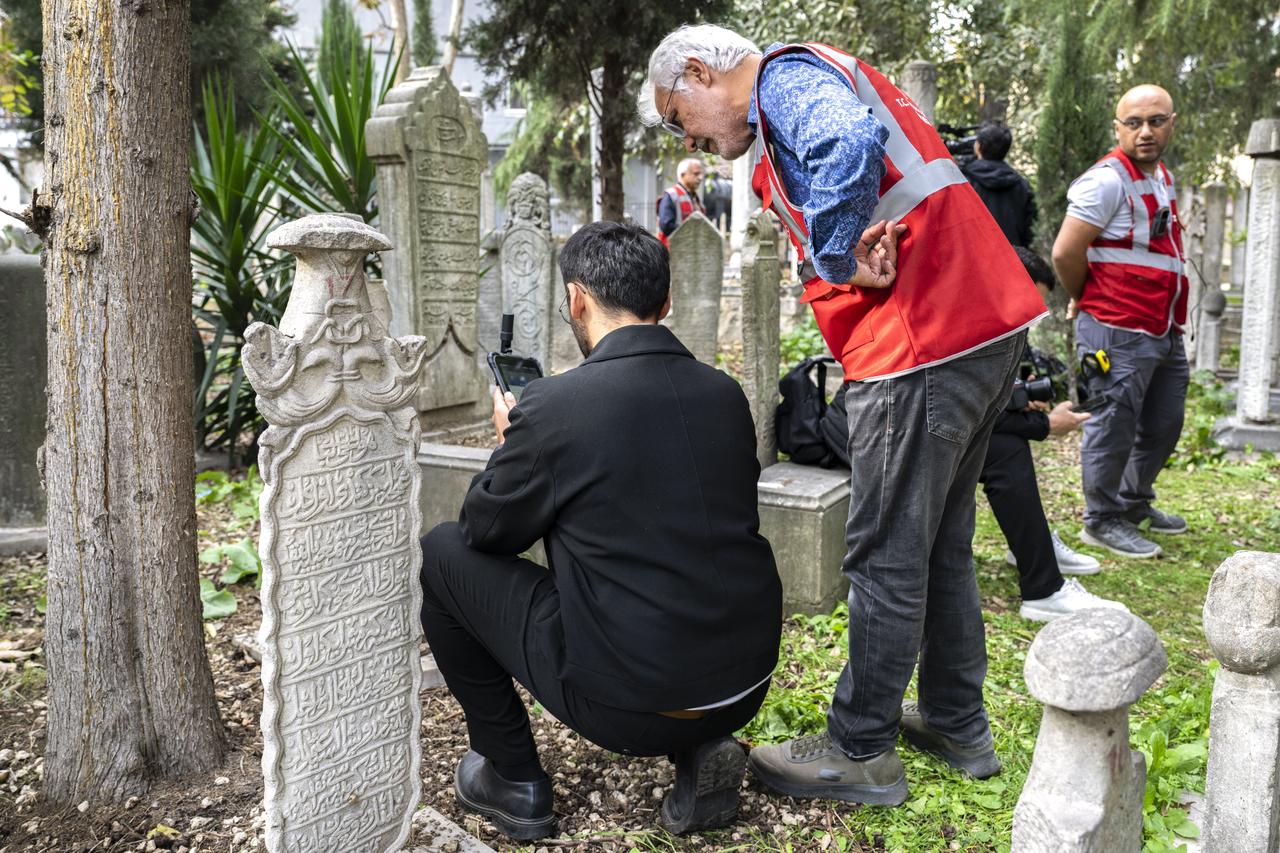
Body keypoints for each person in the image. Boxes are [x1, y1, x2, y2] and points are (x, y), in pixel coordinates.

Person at [638, 25, 1046, 806]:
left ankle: (860, 747)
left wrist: (833, 257)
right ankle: (957, 720)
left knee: (886, 550)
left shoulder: (782, 81)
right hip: (976, 322)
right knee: (938, 543)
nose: (685, 137)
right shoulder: (815, 76)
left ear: (699, 72)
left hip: (921, 336)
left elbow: (847, 142)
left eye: (676, 116)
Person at [418, 221, 782, 841]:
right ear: (666, 303)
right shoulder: (724, 392)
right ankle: (700, 743)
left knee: (440, 552)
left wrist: (511, 445)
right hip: (745, 683)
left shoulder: (557, 406)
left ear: (577, 299)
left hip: (630, 707)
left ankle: (511, 776)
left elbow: (486, 532)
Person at [1051, 84, 1189, 559]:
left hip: (1162, 326)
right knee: (1111, 425)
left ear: (1172, 123)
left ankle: (1131, 502)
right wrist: (1083, 297)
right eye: (1134, 123)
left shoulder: (1161, 176)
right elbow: (1065, 252)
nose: (1145, 132)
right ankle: (1101, 519)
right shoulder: (1106, 182)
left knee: (1165, 423)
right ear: (1118, 128)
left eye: (1156, 121)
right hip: (1115, 326)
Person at [980, 248, 1128, 620]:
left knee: (1004, 444)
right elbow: (970, 416)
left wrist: (1017, 398)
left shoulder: (992, 325)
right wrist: (1045, 426)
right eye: (1030, 301)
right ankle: (1044, 588)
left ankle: (1034, 553)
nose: (1032, 314)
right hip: (872, 431)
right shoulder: (967, 321)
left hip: (905, 424)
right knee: (1004, 450)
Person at [961, 121, 1037, 247]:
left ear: (978, 146)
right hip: (1013, 255)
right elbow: (1028, 231)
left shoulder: (963, 182)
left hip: (973, 254)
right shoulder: (1022, 186)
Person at [656, 157, 706, 244]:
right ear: (683, 175)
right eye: (696, 174)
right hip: (673, 249)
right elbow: (666, 226)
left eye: (701, 174)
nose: (700, 178)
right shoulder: (671, 195)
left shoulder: (696, 198)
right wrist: (691, 233)